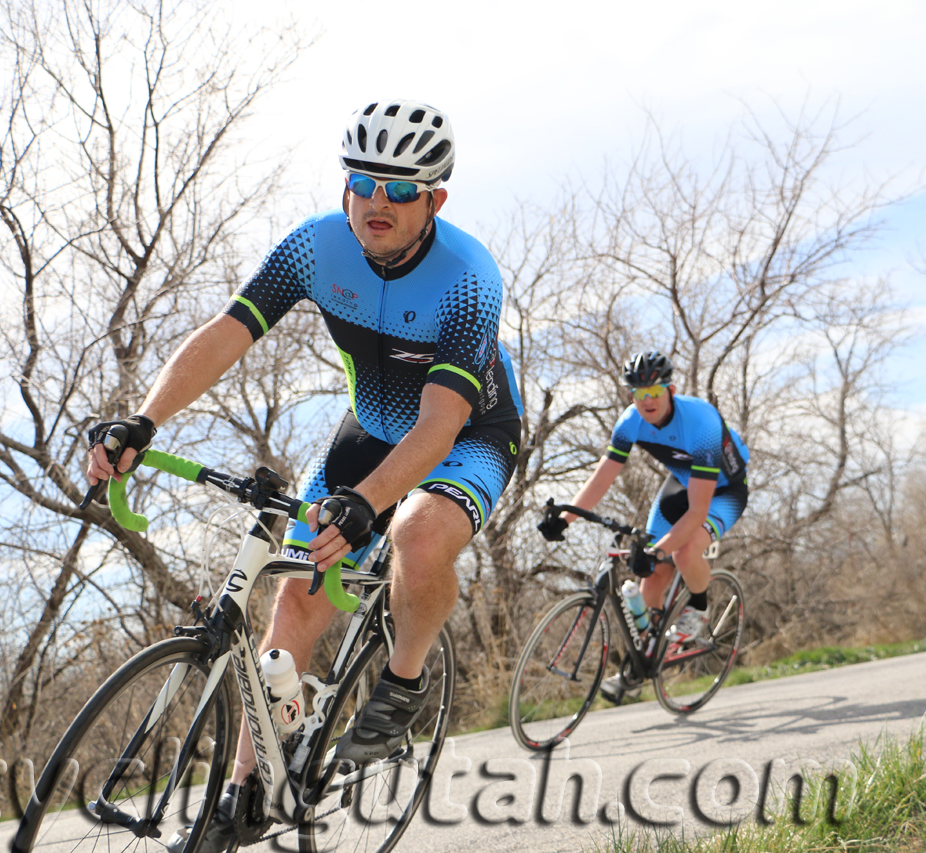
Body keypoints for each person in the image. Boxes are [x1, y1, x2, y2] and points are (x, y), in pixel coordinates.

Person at [85, 99, 523, 852]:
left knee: (419, 535)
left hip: (465, 434)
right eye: (363, 181)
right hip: (369, 434)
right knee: (292, 599)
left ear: (435, 200)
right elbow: (229, 330)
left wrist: (366, 505)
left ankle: (405, 684)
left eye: (402, 189)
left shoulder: (468, 277)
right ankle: (247, 791)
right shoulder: (317, 246)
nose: (377, 202)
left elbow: (438, 424)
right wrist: (143, 419)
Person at [538, 351, 749, 702]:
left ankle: (698, 608)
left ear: (671, 389)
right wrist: (566, 517)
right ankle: (641, 664)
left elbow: (698, 512)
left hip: (724, 492)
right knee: (651, 576)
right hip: (683, 482)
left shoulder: (701, 422)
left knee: (683, 551)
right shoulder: (630, 422)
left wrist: (659, 550)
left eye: (654, 392)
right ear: (630, 395)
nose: (647, 401)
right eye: (639, 394)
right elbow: (602, 478)